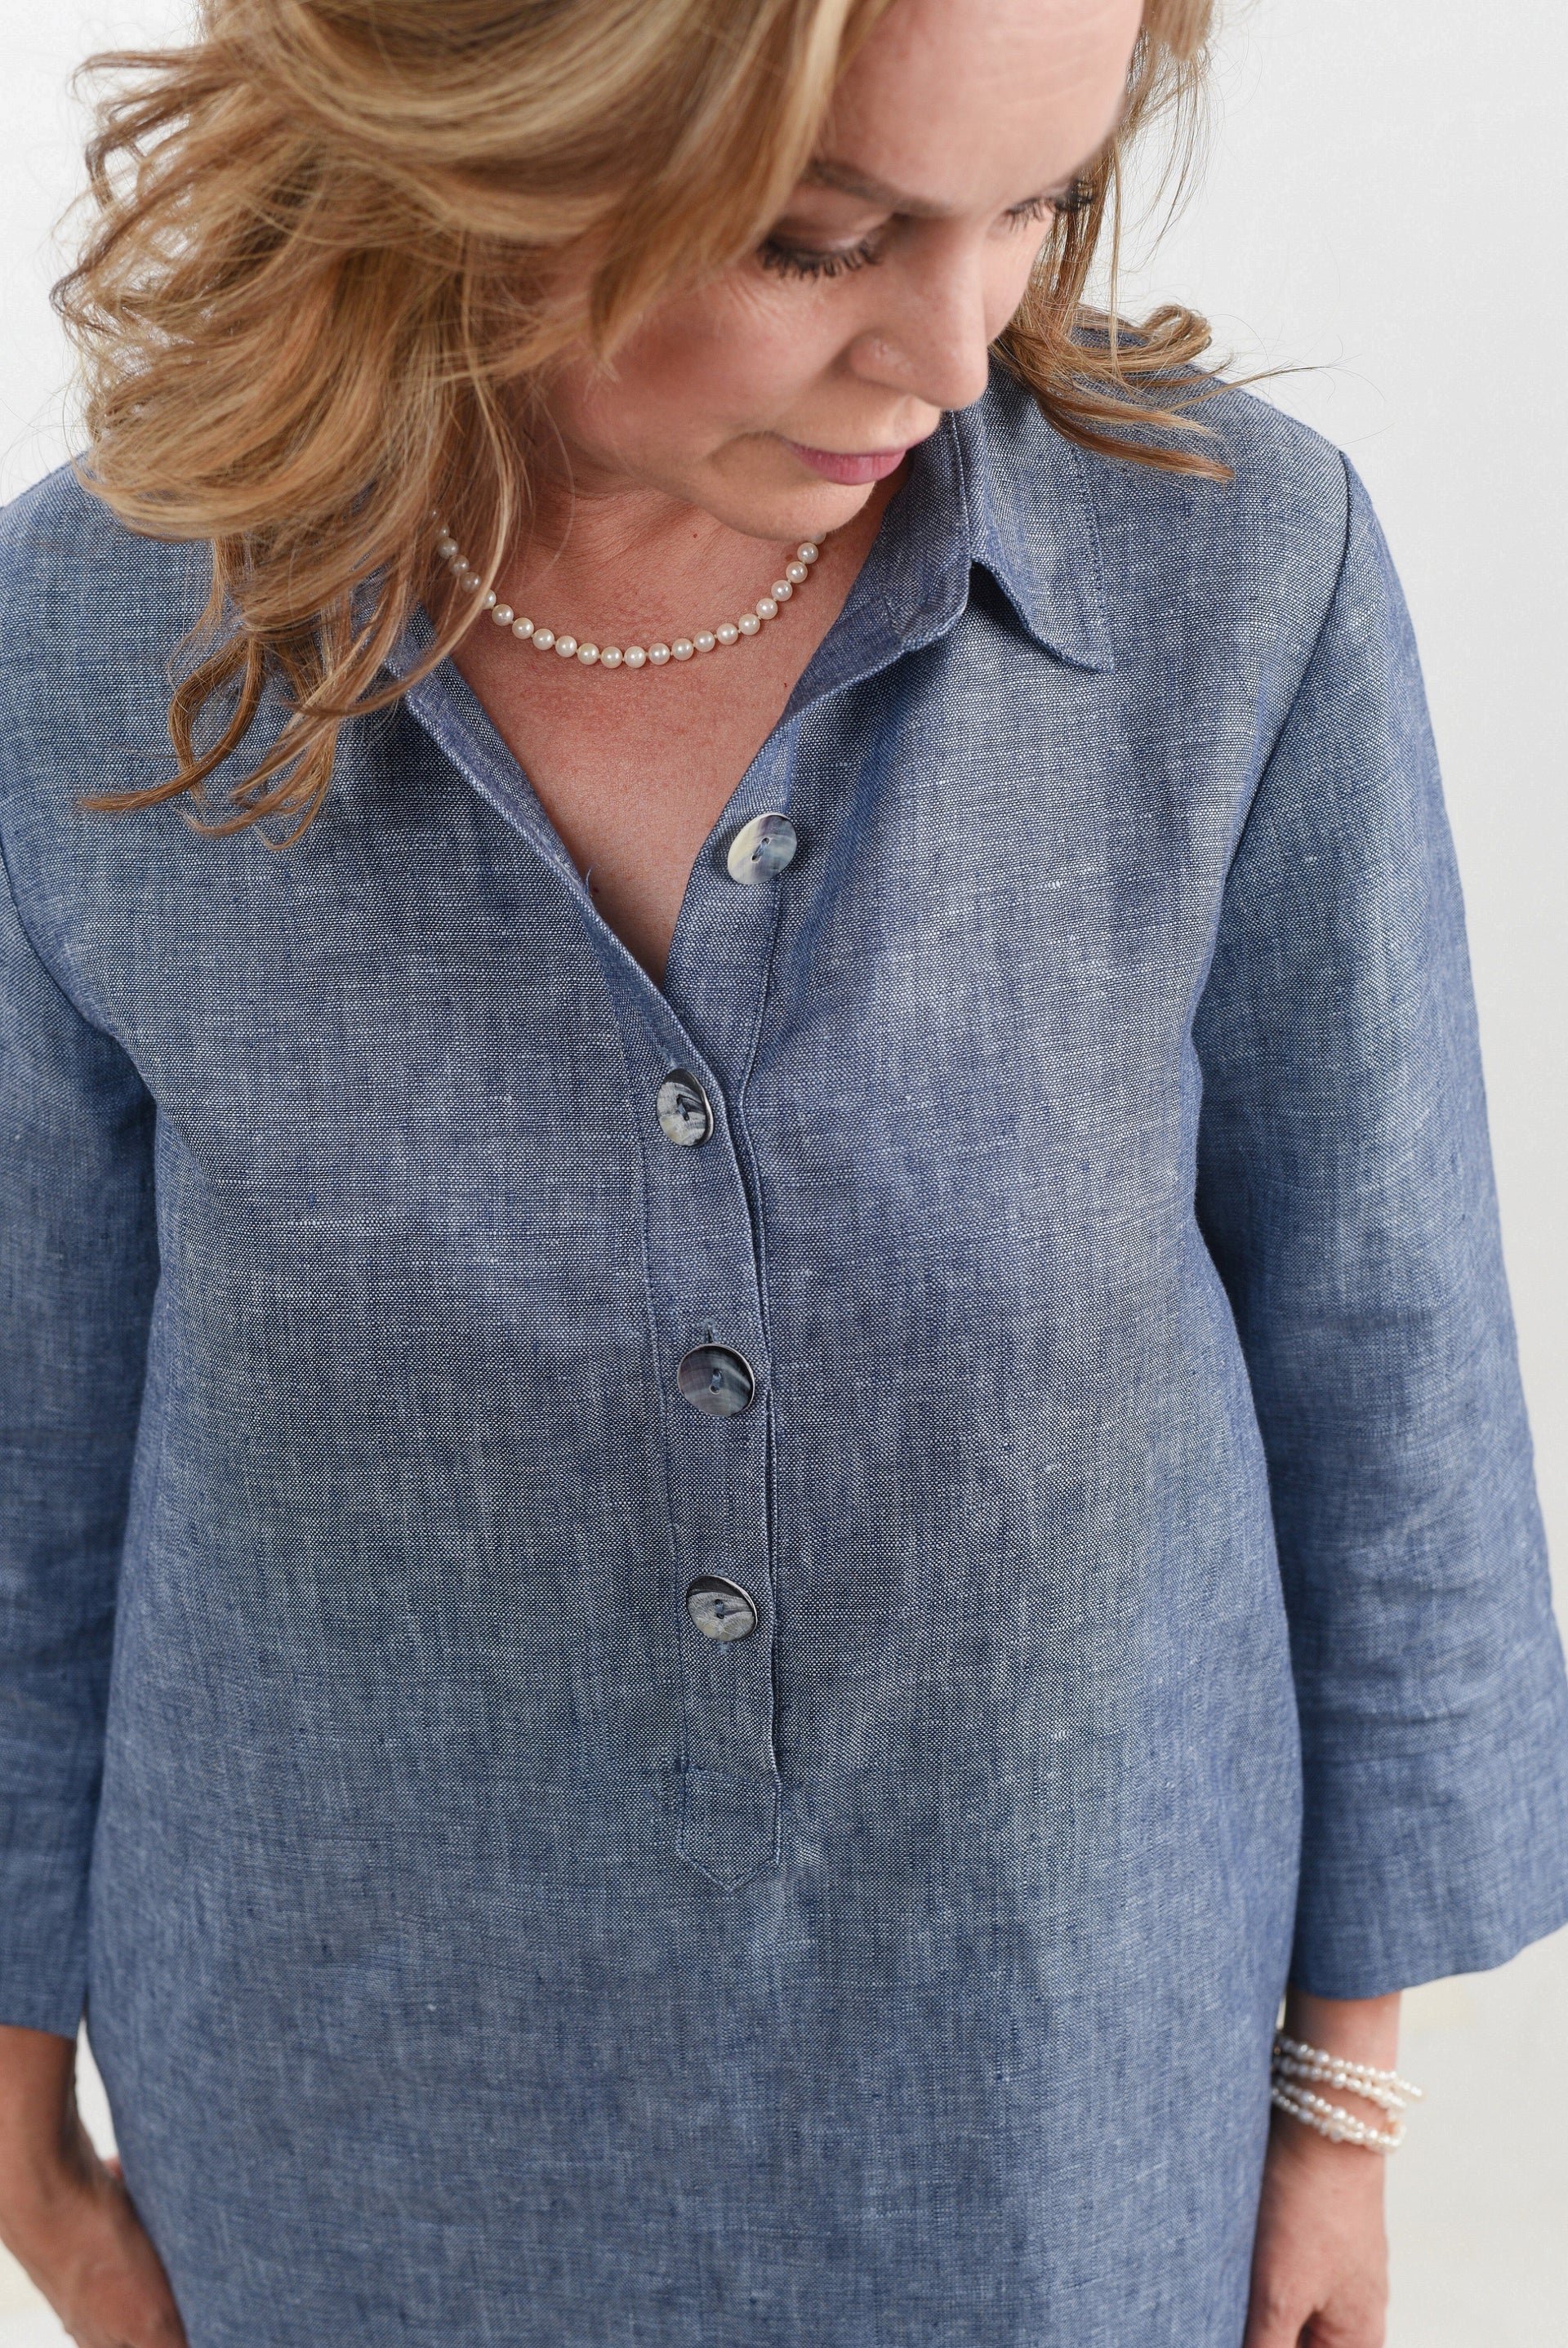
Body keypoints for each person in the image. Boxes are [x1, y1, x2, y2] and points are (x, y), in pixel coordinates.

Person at [0, 0, 1564, 2341]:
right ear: (494, 143)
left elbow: (1389, 1364)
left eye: (1035, 205)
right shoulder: (88, 641)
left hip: (1054, 2125)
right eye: (823, 240)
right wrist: (18, 2119)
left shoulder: (1232, 583)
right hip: (345, 2138)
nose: (953, 351)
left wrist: (1343, 2109)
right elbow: (28, 1440)